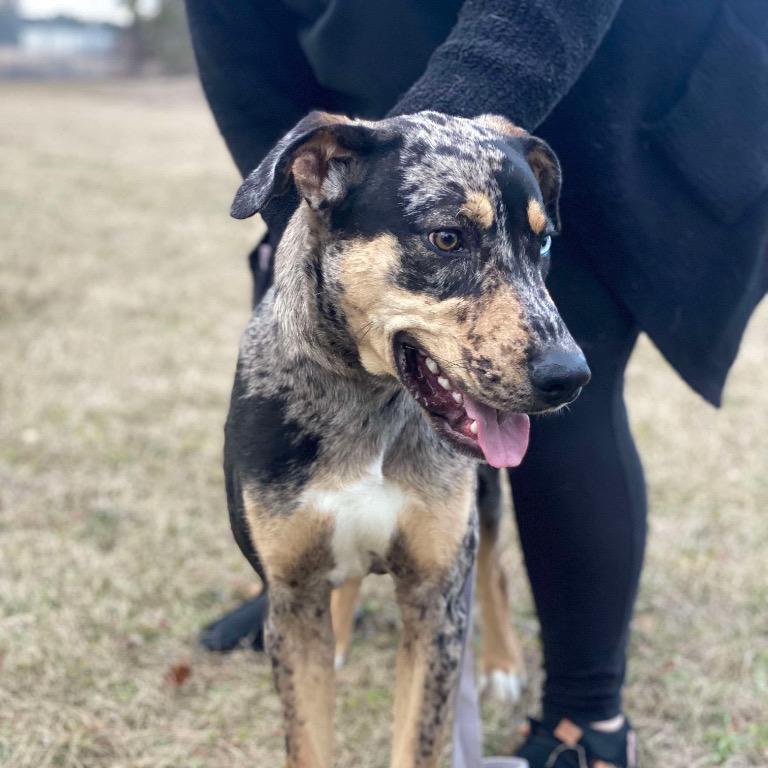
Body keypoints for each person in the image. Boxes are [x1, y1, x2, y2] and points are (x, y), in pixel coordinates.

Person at [184, 1, 768, 764]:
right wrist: (319, 198)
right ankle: (311, 565)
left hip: (605, 82)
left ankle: (586, 722)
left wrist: (422, 157)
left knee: (557, 411)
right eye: (450, 242)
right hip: (389, 125)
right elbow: (237, 48)